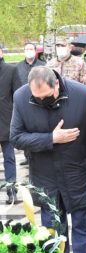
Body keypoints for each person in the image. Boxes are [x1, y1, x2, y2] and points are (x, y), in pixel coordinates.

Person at [10, 66, 86, 253]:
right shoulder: (21, 97)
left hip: (80, 174)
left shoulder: (81, 95)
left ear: (56, 83)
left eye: (46, 96)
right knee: (54, 234)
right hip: (45, 178)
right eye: (36, 97)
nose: (41, 100)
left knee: (84, 229)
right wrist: (51, 138)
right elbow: (16, 137)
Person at [0, 46, 18, 204]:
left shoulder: (11, 70)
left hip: (6, 121)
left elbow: (17, 96)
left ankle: (11, 188)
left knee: (9, 158)